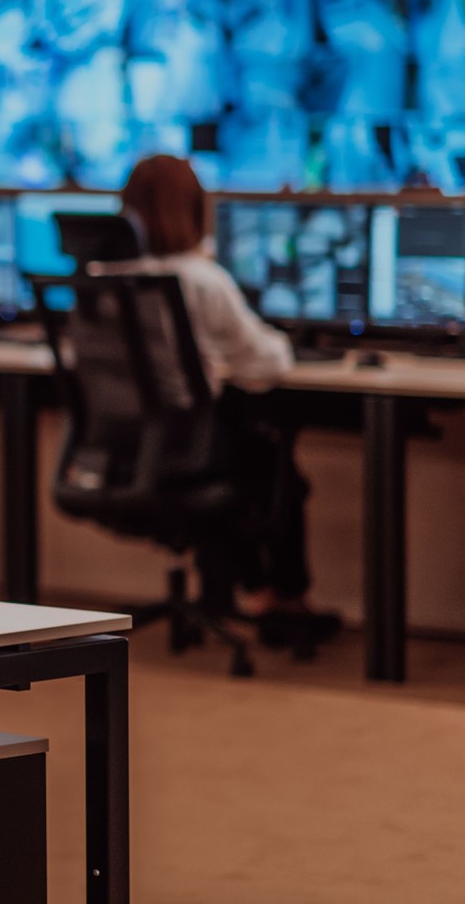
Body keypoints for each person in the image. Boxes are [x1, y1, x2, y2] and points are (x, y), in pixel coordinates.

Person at [110, 155, 339, 648]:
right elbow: (265, 364)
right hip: (188, 451)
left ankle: (261, 593)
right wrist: (282, 343)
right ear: (195, 208)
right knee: (274, 467)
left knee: (249, 462)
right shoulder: (201, 279)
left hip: (124, 450)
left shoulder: (106, 276)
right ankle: (280, 598)